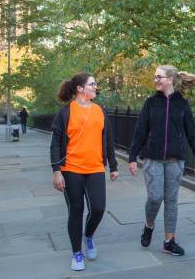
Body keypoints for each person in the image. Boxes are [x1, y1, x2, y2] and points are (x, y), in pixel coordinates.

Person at [128, 65, 195, 256]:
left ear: (169, 79)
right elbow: (140, 131)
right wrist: (132, 157)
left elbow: (192, 132)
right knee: (155, 198)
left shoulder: (182, 104)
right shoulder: (151, 103)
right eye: (155, 77)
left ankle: (169, 241)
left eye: (159, 77)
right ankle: (149, 224)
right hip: (153, 159)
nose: (155, 80)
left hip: (175, 160)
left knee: (171, 200)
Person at [50, 73, 119, 271]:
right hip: (71, 169)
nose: (96, 87)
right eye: (93, 84)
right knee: (76, 211)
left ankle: (88, 236)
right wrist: (57, 171)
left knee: (98, 208)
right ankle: (76, 253)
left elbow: (108, 140)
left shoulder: (100, 110)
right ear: (80, 88)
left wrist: (113, 166)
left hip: (96, 167)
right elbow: (55, 143)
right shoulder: (65, 113)